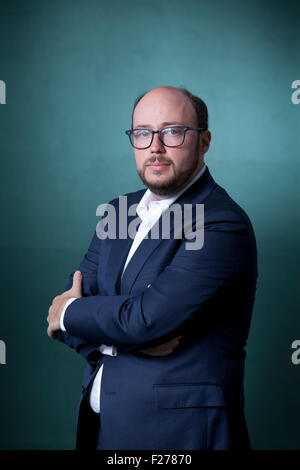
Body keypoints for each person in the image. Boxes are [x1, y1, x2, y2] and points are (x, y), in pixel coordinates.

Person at [47, 85, 258, 450]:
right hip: (100, 428)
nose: (155, 146)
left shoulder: (221, 223)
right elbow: (67, 310)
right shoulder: (118, 211)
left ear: (204, 141)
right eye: (143, 133)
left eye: (173, 131)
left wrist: (75, 313)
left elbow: (144, 319)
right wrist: (107, 335)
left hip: (180, 434)